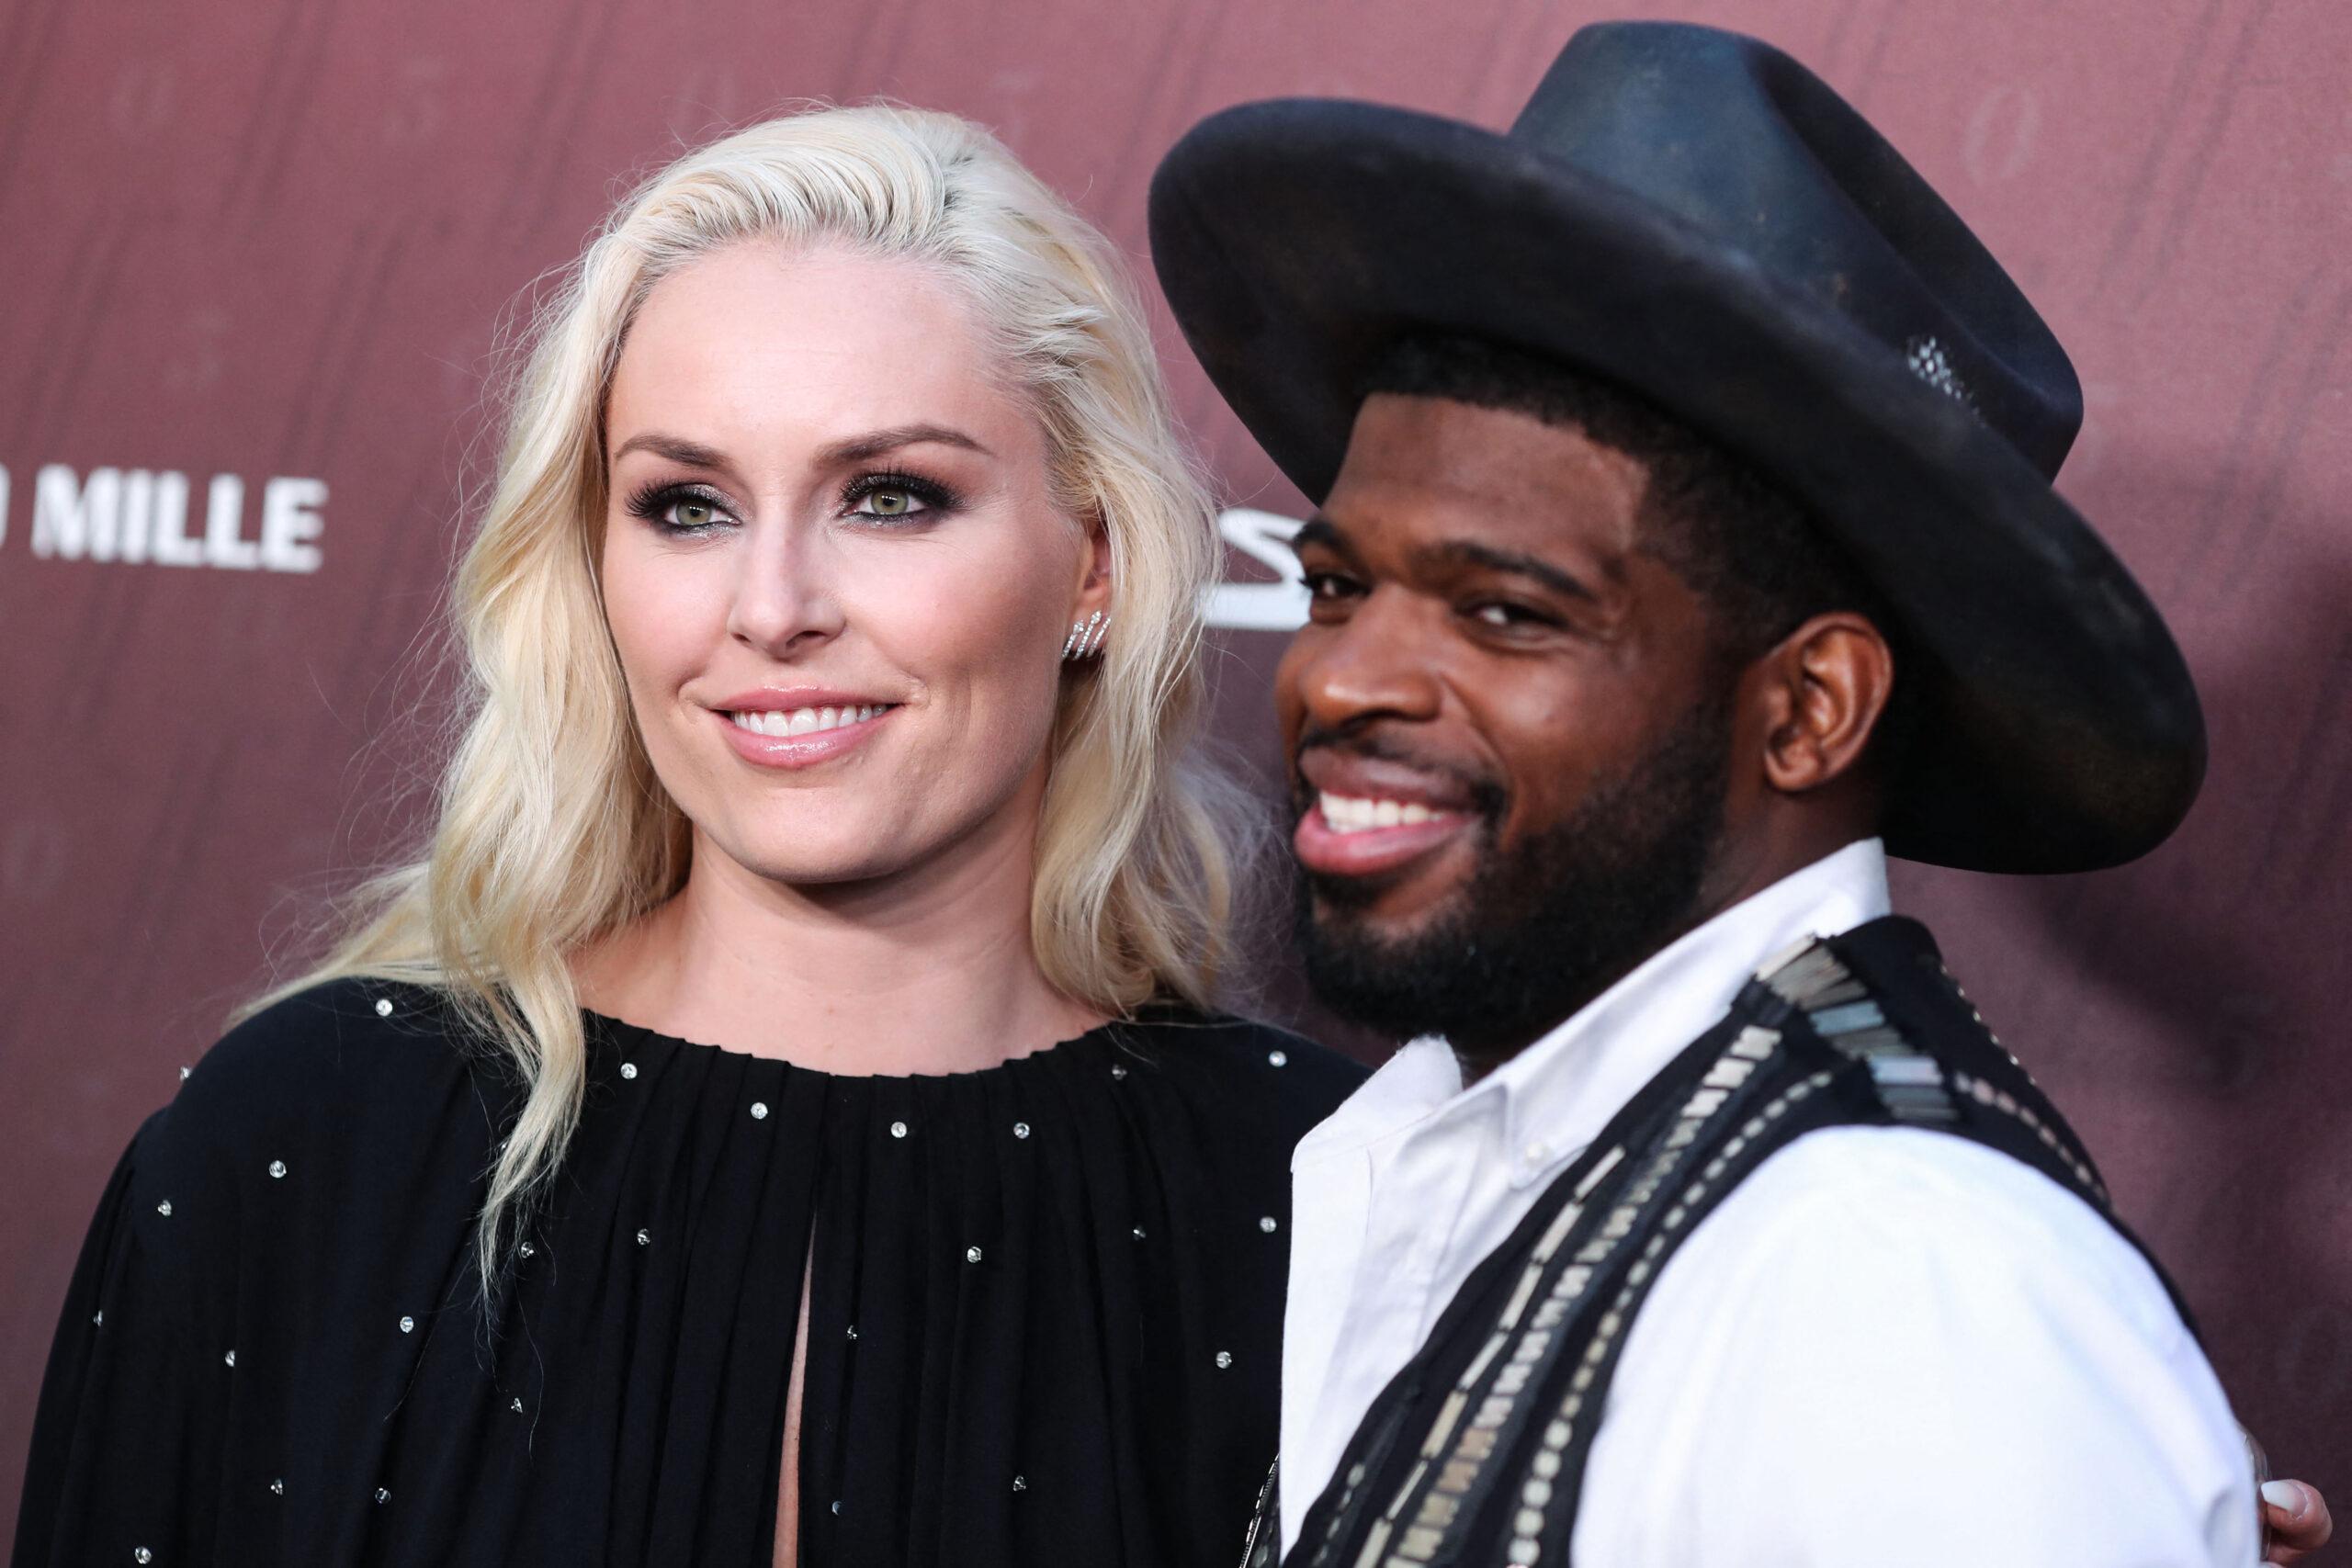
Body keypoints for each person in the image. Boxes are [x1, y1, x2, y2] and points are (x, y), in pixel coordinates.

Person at [12, 106, 1363, 1568]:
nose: (772, 607)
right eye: (688, 506)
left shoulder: (1324, 1197)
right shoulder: (305, 1146)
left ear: (1092, 565)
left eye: (890, 497)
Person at [1148, 19, 2335, 1568]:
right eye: (1339, 587)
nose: (1342, 680)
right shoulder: (1432, 1150)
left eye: (1504, 612)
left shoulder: (1899, 1287)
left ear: (1811, 709)